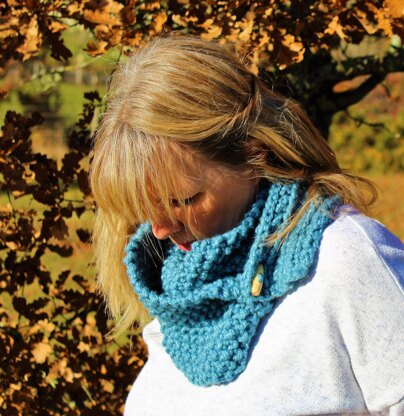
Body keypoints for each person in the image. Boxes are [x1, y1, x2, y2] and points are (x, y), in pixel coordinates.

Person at [89, 35, 404, 415]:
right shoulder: (177, 287)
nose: (160, 229)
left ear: (254, 154)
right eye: (144, 208)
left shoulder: (346, 259)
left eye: (182, 200)